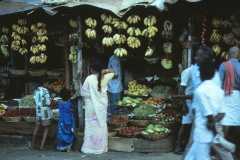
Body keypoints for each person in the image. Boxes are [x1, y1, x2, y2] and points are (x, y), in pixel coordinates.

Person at [184, 60, 226, 160]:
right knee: (190, 157)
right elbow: (222, 113)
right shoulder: (219, 91)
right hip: (208, 134)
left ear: (201, 74)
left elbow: (208, 113)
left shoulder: (200, 90)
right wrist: (215, 122)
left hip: (201, 133)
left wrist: (211, 121)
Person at [81, 59, 115, 154]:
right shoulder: (106, 77)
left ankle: (89, 148)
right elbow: (113, 72)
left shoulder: (89, 78)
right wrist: (105, 71)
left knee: (90, 126)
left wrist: (92, 95)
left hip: (91, 107)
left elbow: (83, 92)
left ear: (92, 69)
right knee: (101, 126)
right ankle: (100, 148)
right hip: (101, 107)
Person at [219, 46, 240, 158]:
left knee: (226, 123)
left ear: (229, 54)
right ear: (238, 54)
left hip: (226, 95)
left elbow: (219, 82)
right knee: (237, 124)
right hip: (237, 96)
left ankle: (223, 152)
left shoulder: (224, 65)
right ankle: (236, 152)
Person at [31, 75, 55, 151]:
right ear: (44, 83)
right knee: (47, 128)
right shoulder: (45, 91)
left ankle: (33, 145)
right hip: (45, 112)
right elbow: (48, 103)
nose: (48, 84)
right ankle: (42, 146)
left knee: (37, 127)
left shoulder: (36, 91)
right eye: (47, 83)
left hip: (38, 111)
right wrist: (52, 98)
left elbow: (34, 100)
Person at [174, 66, 193, 155]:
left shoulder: (199, 71)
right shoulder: (187, 72)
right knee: (185, 124)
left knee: (191, 125)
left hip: (195, 102)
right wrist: (184, 106)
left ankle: (187, 145)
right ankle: (178, 146)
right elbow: (182, 90)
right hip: (188, 102)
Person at [57, 88, 77, 152]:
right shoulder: (69, 104)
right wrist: (71, 110)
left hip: (61, 121)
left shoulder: (59, 103)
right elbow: (74, 110)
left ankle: (61, 147)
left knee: (61, 133)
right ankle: (68, 148)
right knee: (69, 134)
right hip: (68, 121)